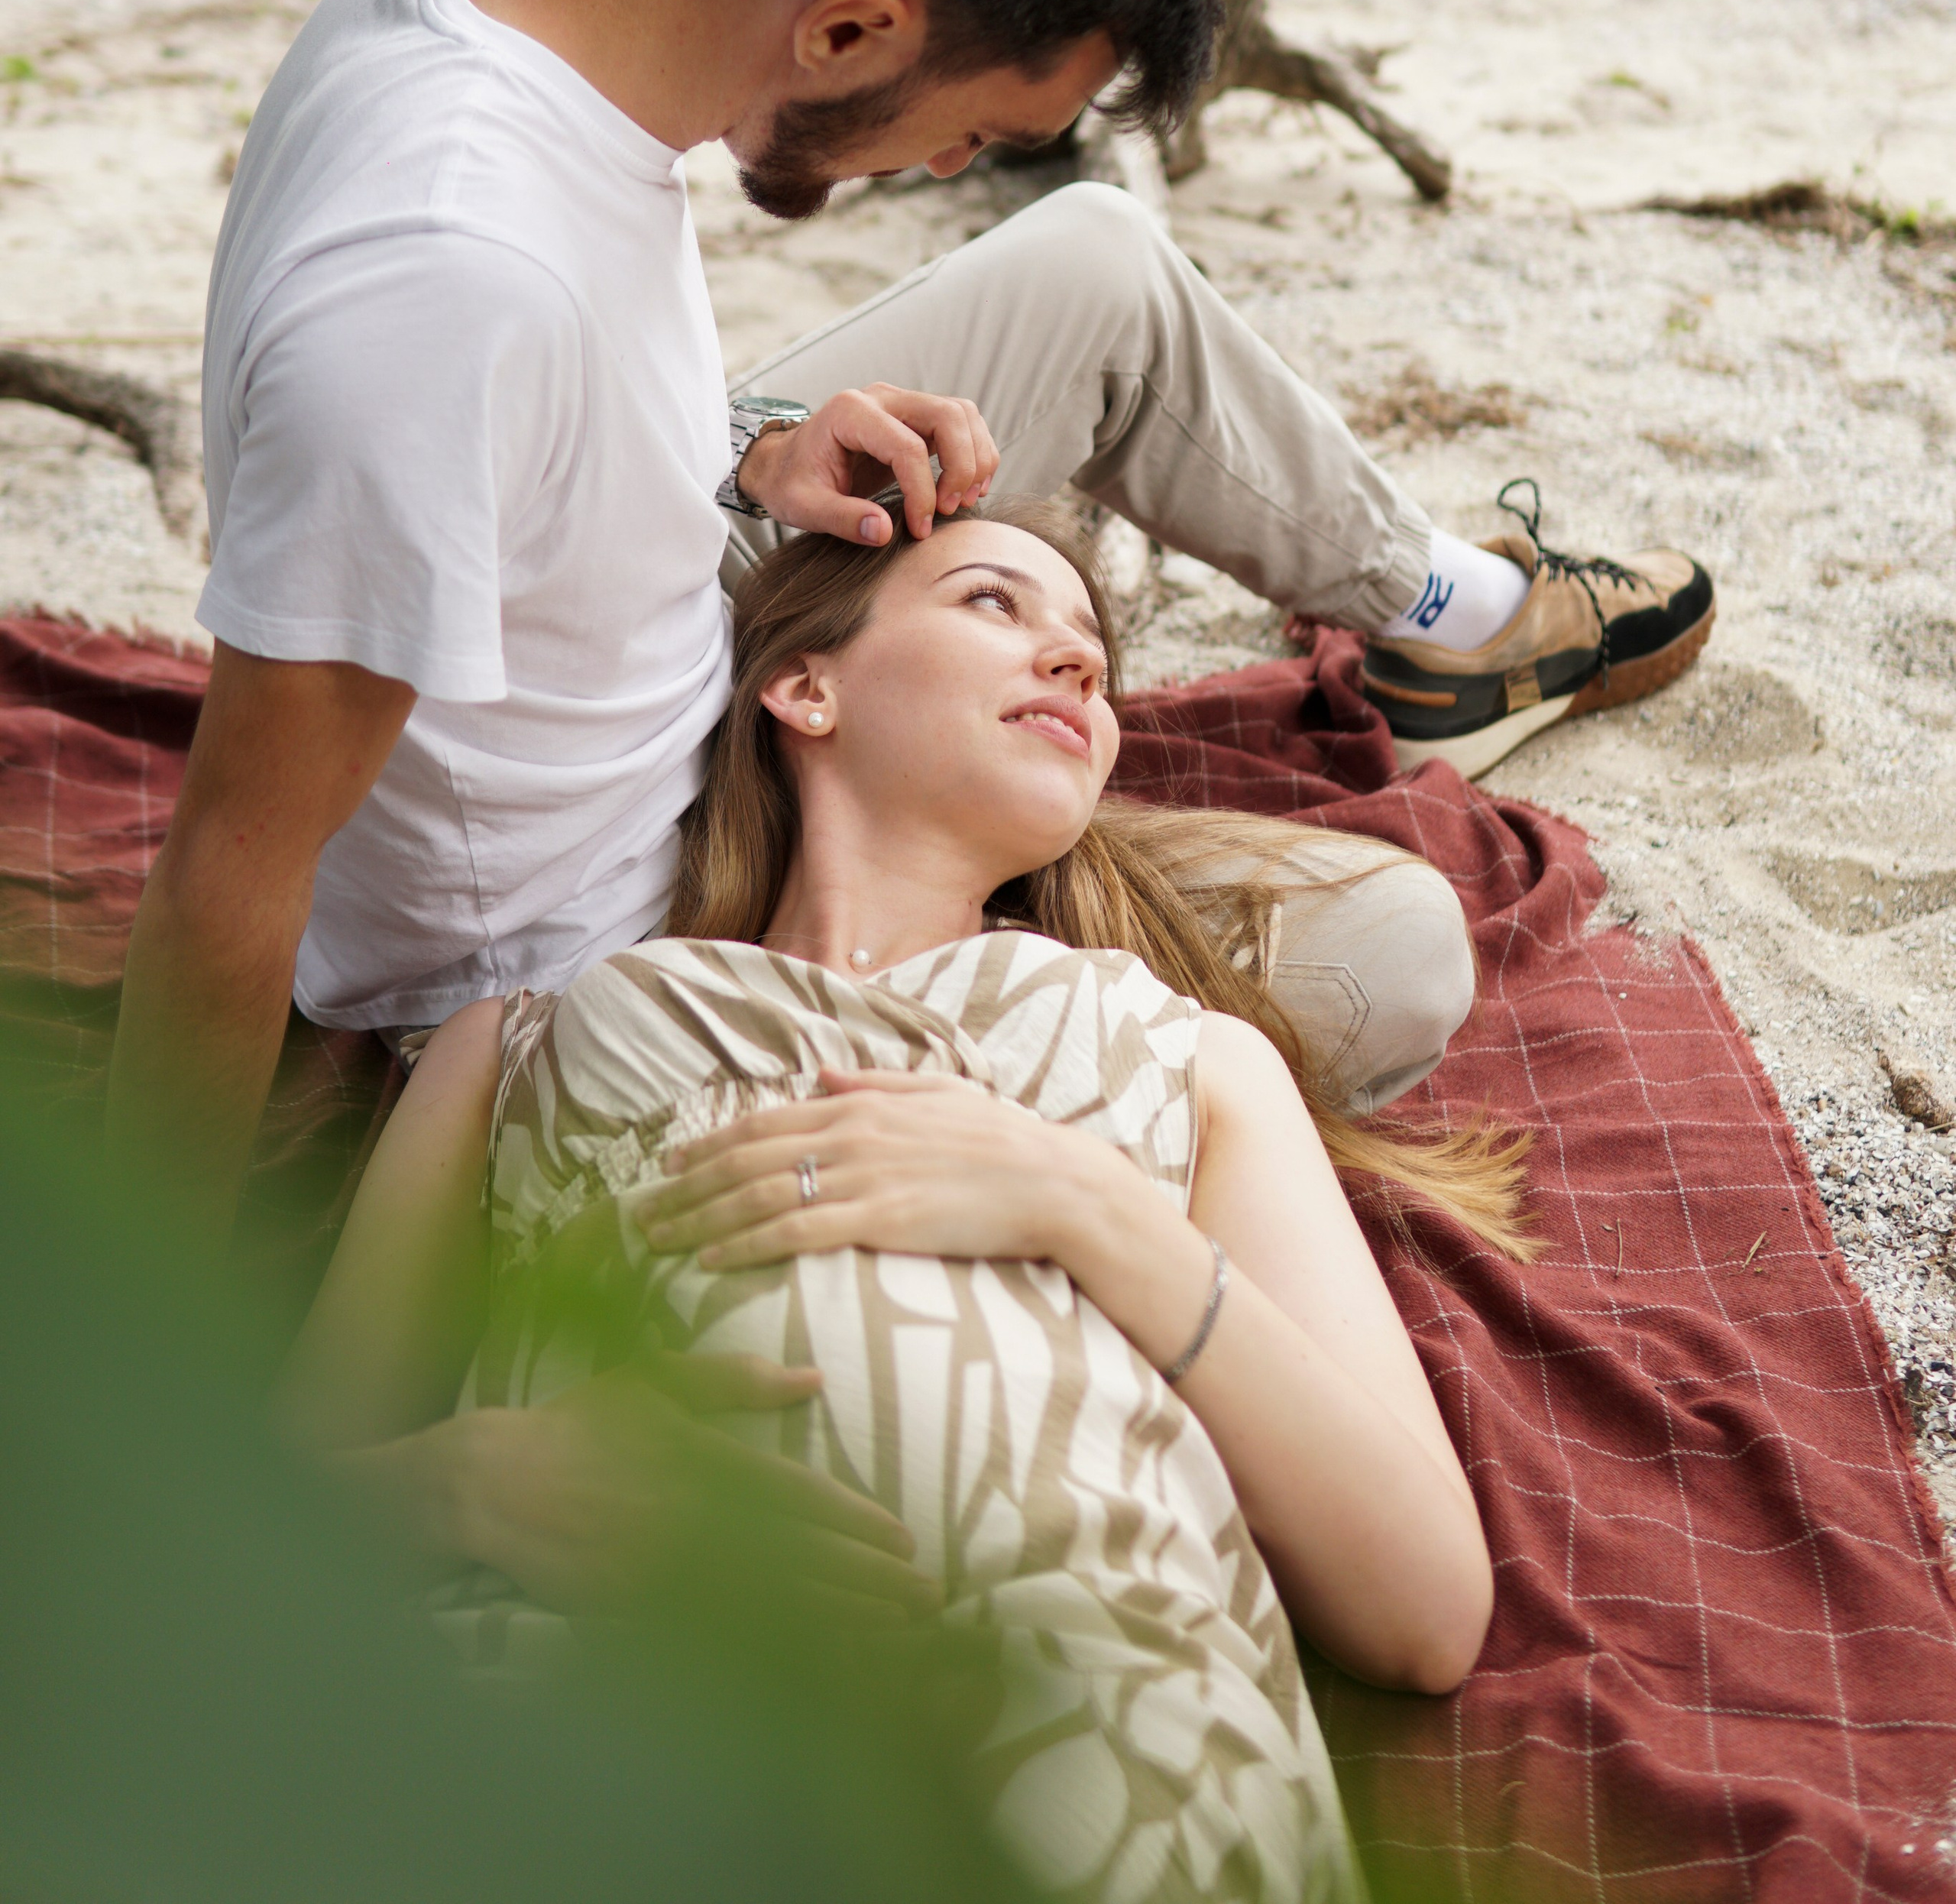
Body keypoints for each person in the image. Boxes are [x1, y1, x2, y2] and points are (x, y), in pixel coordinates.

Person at [107, 0, 1713, 1229]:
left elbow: (516, 422)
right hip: (599, 928)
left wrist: (738, 457)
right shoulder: (448, 292)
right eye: (976, 129)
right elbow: (232, 873)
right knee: (1391, 952)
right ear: (849, 29)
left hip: (670, 627)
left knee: (1090, 266)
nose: (948, 167)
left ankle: (1458, 625)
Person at [283, 503, 1530, 1904]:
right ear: (804, 687)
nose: (1072, 661)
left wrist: (1090, 1210)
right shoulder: (523, 1042)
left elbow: (1428, 1611)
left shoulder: (1185, 1058)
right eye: (998, 604)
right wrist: (469, 1482)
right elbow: (239, 1521)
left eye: (1093, 660)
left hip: (1105, 1765)